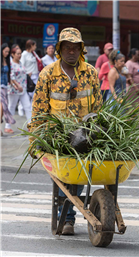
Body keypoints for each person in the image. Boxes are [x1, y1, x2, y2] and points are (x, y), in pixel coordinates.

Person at [27, 27, 102, 235]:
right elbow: (39, 109)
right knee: (65, 177)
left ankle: (68, 215)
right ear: (60, 49)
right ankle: (67, 217)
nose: (71, 51)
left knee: (77, 178)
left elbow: (98, 107)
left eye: (75, 48)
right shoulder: (48, 74)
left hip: (84, 135)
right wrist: (35, 137)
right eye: (67, 47)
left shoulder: (91, 73)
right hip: (56, 138)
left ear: (81, 49)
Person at [5, 47, 31, 133]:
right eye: (18, 54)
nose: (19, 55)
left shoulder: (20, 63)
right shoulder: (11, 64)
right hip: (14, 90)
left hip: (23, 89)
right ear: (12, 54)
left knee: (28, 106)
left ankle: (30, 125)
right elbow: (11, 77)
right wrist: (17, 85)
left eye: (20, 53)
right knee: (11, 107)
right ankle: (7, 126)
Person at [19, 39, 39, 116]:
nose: (35, 47)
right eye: (34, 45)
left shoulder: (33, 53)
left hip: (35, 75)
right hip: (28, 76)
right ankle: (21, 106)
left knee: (35, 93)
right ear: (31, 45)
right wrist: (27, 73)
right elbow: (21, 65)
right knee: (26, 92)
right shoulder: (24, 54)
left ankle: (31, 109)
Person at [0, 43, 15, 136]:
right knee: (2, 107)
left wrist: (14, 84)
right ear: (1, 50)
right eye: (5, 51)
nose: (6, 53)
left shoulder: (7, 60)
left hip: (5, 87)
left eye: (8, 52)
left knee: (4, 107)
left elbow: (8, 75)